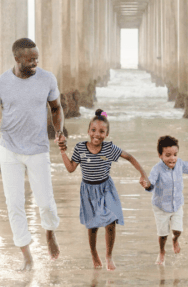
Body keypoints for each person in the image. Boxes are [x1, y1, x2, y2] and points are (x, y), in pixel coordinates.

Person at [0, 37, 67, 271]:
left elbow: (56, 107)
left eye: (37, 58)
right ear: (17, 58)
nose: (35, 63)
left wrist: (59, 131)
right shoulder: (0, 83)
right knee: (14, 204)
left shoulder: (47, 78)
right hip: (9, 149)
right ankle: (26, 254)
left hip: (38, 149)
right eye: (30, 60)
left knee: (46, 202)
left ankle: (49, 233)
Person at [59, 109, 149, 271]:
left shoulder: (109, 149)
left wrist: (143, 174)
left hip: (106, 188)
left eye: (101, 131)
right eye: (93, 130)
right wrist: (62, 152)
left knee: (111, 222)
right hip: (88, 191)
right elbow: (71, 168)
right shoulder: (80, 148)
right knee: (92, 226)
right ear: (88, 131)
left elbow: (129, 157)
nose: (97, 134)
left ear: (107, 134)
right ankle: (94, 253)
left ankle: (109, 255)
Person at [141, 135, 188, 265]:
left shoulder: (180, 163)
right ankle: (162, 251)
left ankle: (175, 240)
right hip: (160, 206)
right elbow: (151, 183)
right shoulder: (156, 169)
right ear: (160, 155)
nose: (172, 158)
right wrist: (146, 184)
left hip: (177, 204)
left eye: (175, 154)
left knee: (177, 230)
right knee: (163, 234)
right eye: (168, 155)